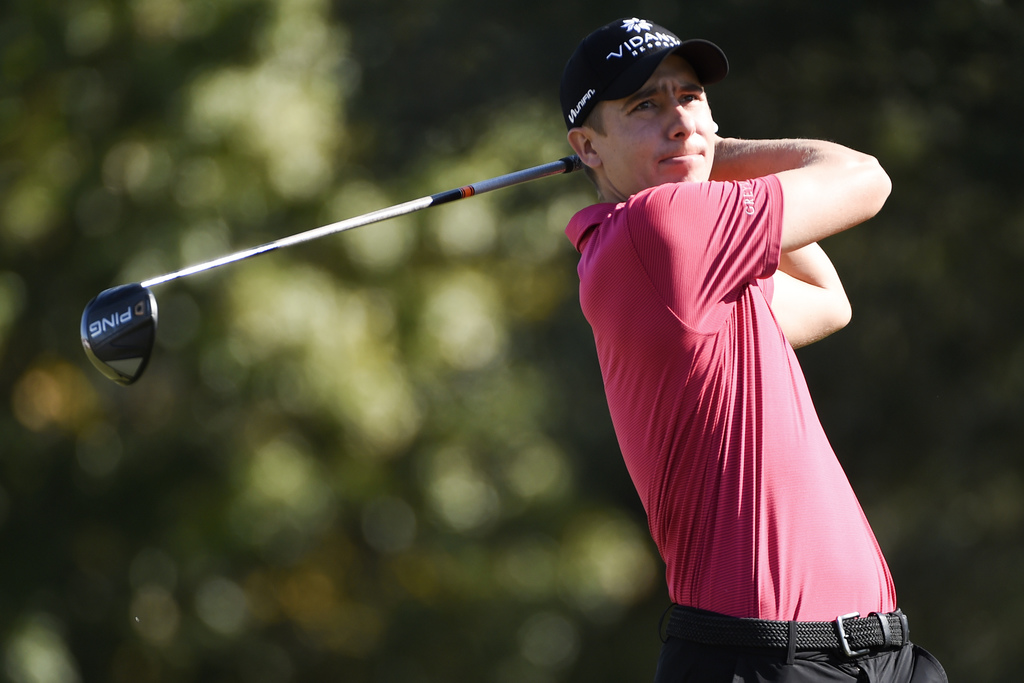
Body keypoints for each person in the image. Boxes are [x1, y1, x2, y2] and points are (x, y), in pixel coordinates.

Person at [558, 17, 946, 682]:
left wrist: (696, 154)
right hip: (763, 660)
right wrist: (720, 152)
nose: (679, 120)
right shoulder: (661, 227)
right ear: (586, 147)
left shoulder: (671, 263)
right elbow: (865, 177)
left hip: (875, 655)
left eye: (691, 98)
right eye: (645, 105)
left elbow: (827, 299)